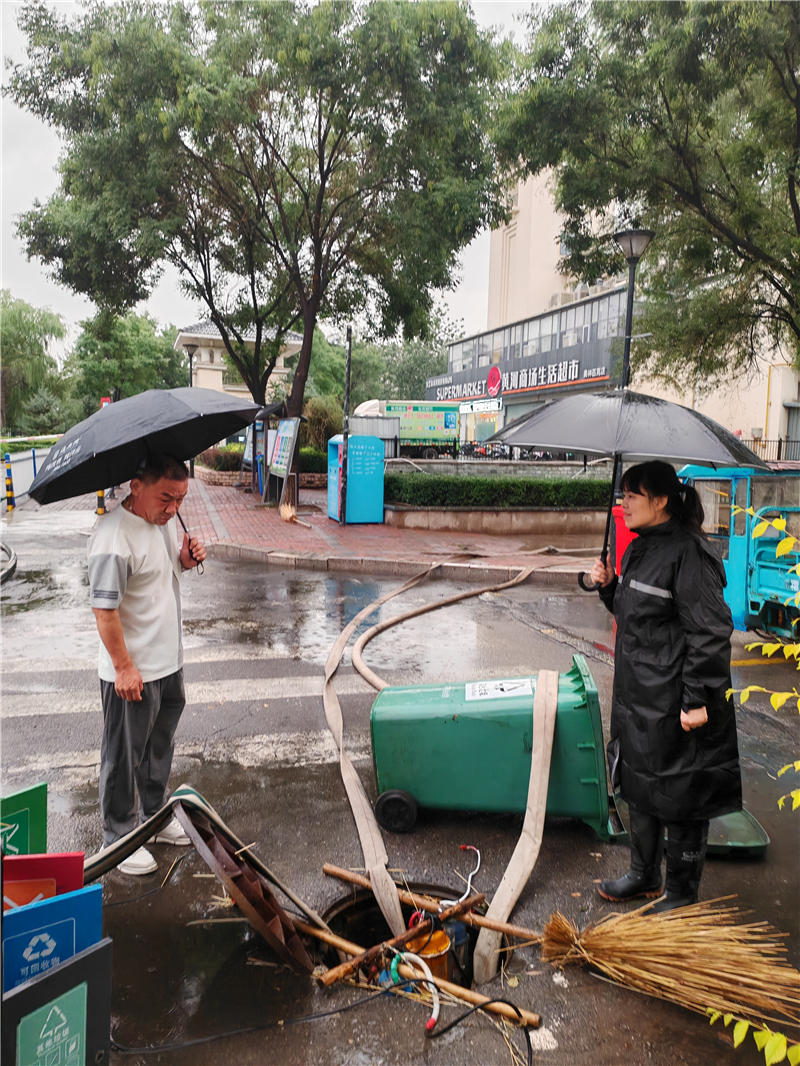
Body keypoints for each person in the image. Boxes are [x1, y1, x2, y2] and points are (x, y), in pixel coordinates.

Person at [590, 460, 742, 912]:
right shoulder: (639, 549)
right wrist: (609, 587)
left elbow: (710, 632)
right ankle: (643, 874)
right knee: (640, 782)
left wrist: (697, 700)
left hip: (677, 699)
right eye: (622, 494)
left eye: (632, 495)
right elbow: (635, 614)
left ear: (659, 501)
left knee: (681, 792)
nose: (624, 503)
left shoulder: (690, 554)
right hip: (639, 696)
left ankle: (680, 892)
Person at [87, 453, 206, 875]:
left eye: (180, 499)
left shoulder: (162, 522)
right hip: (132, 671)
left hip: (167, 662)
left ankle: (153, 818)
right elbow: (104, 611)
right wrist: (123, 667)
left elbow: (159, 574)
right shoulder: (113, 537)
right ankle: (118, 838)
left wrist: (184, 560)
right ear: (136, 487)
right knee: (123, 756)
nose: (173, 508)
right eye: (166, 497)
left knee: (158, 747)